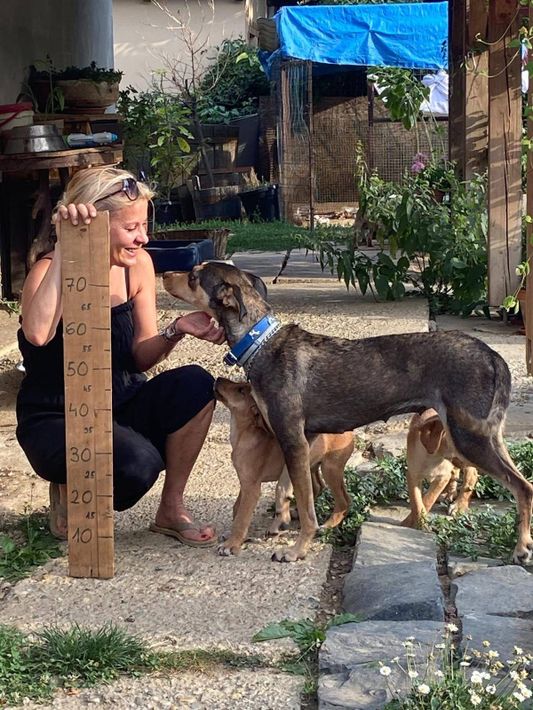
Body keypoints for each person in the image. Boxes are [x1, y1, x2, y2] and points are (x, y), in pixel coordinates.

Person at [16, 166, 225, 546]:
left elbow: (141, 356)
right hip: (56, 417)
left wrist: (177, 329)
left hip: (121, 401)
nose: (143, 237)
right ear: (96, 223)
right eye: (131, 228)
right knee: (138, 465)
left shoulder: (137, 266)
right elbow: (38, 333)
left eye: (144, 225)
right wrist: (67, 249)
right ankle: (68, 484)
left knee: (196, 384)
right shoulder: (46, 270)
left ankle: (171, 508)